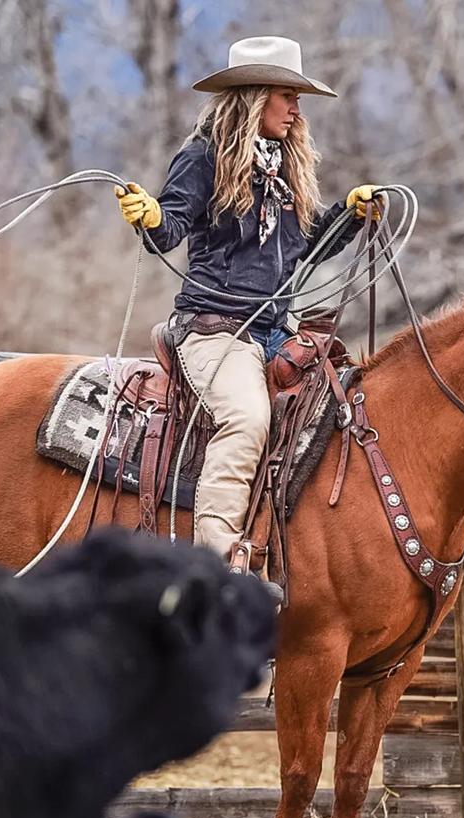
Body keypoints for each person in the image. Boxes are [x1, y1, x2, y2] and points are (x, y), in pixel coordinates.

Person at [115, 36, 379, 595]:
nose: (297, 109)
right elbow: (169, 229)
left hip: (274, 331)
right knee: (247, 419)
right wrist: (150, 215)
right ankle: (214, 572)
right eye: (288, 95)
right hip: (215, 329)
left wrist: (349, 217)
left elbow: (303, 244)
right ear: (256, 98)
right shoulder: (203, 156)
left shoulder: (285, 165)